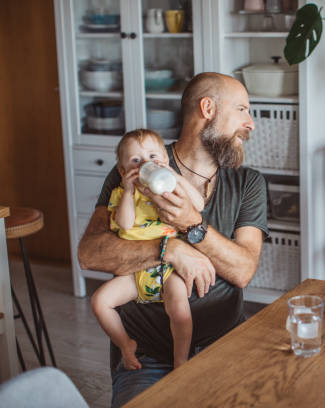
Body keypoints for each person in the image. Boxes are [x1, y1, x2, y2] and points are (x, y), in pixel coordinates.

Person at [78, 73, 268, 407]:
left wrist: (193, 226)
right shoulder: (137, 166)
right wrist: (167, 248)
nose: (250, 124)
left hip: (224, 346)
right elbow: (90, 254)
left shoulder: (248, 183)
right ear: (207, 108)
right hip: (146, 356)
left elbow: (243, 270)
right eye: (242, 109)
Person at [91, 129, 205, 371]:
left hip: (167, 269)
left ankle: (180, 361)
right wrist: (129, 192)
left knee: (180, 311)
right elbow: (124, 224)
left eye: (153, 156)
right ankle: (125, 344)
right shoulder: (121, 194)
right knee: (100, 302)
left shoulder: (170, 189)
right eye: (135, 160)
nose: (145, 163)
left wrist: (175, 177)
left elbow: (199, 204)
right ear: (123, 171)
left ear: (164, 159)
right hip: (135, 270)